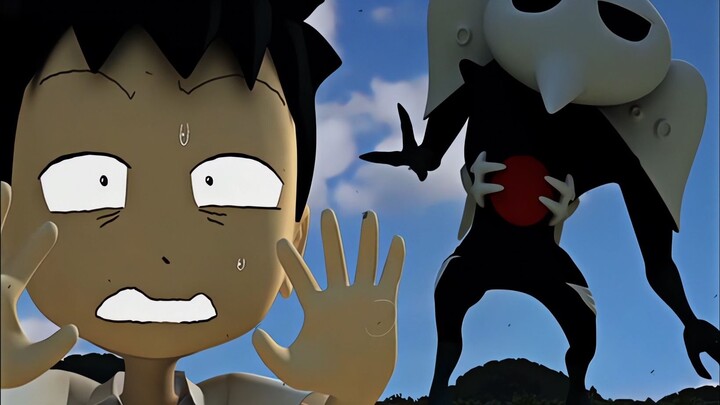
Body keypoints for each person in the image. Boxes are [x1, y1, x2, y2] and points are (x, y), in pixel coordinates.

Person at [0, 1, 405, 404]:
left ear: (296, 238)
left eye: (229, 185)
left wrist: (353, 391)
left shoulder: (237, 397)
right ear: (9, 228)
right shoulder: (55, 394)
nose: (164, 250)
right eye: (94, 183)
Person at [360, 0, 719, 403]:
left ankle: (576, 391)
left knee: (583, 327)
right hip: (482, 247)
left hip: (543, 259)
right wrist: (421, 156)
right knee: (450, 294)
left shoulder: (601, 128)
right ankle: (439, 390)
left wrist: (689, 319)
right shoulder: (486, 80)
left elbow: (658, 260)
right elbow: (433, 152)